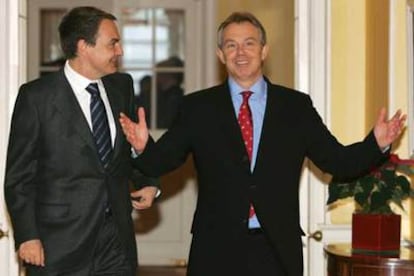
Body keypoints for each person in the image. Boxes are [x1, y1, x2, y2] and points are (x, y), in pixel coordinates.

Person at [119, 12, 406, 276]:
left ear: (264, 50)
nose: (240, 52)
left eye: (249, 43)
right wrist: (143, 146)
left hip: (276, 251)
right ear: (221, 54)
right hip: (215, 250)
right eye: (231, 45)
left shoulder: (296, 106)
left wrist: (376, 143)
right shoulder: (198, 107)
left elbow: (338, 161)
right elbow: (163, 160)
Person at [4, 6, 158, 276]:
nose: (120, 51)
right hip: (59, 244)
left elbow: (124, 153)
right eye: (113, 43)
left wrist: (147, 180)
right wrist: (28, 235)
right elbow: (19, 177)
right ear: (83, 46)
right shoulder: (37, 97)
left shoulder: (121, 87)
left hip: (115, 242)